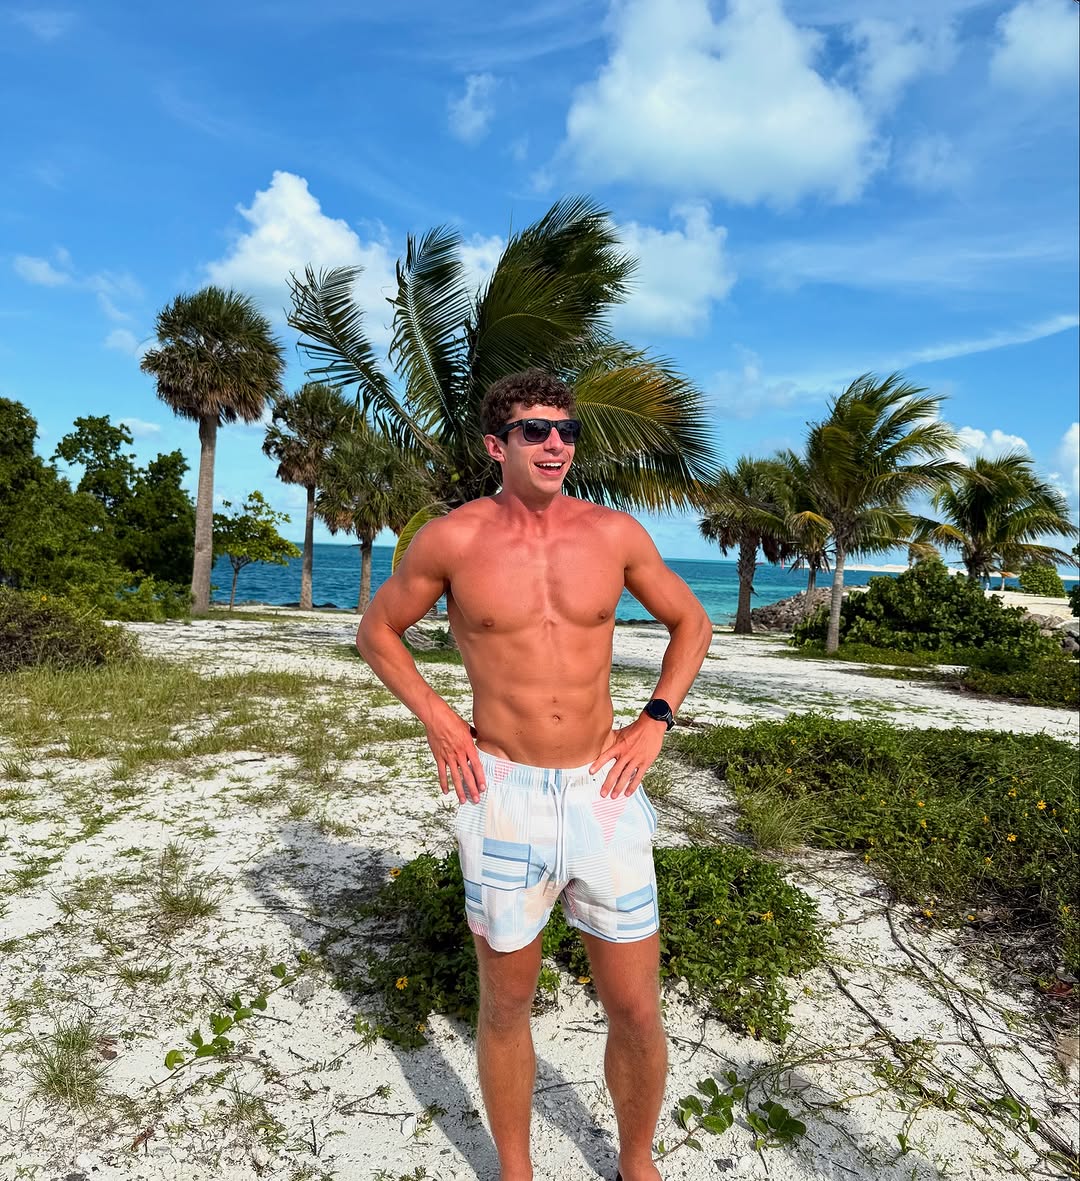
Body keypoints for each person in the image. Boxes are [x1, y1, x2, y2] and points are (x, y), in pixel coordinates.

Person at [356, 369, 713, 1181]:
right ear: (497, 444)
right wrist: (438, 716)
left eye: (567, 430)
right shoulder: (453, 539)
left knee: (636, 1005)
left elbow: (691, 621)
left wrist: (656, 718)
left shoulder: (613, 533)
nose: (556, 443)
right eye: (536, 430)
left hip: (603, 792)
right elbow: (377, 630)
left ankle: (637, 1161)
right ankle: (516, 1171)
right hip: (505, 795)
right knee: (508, 1002)